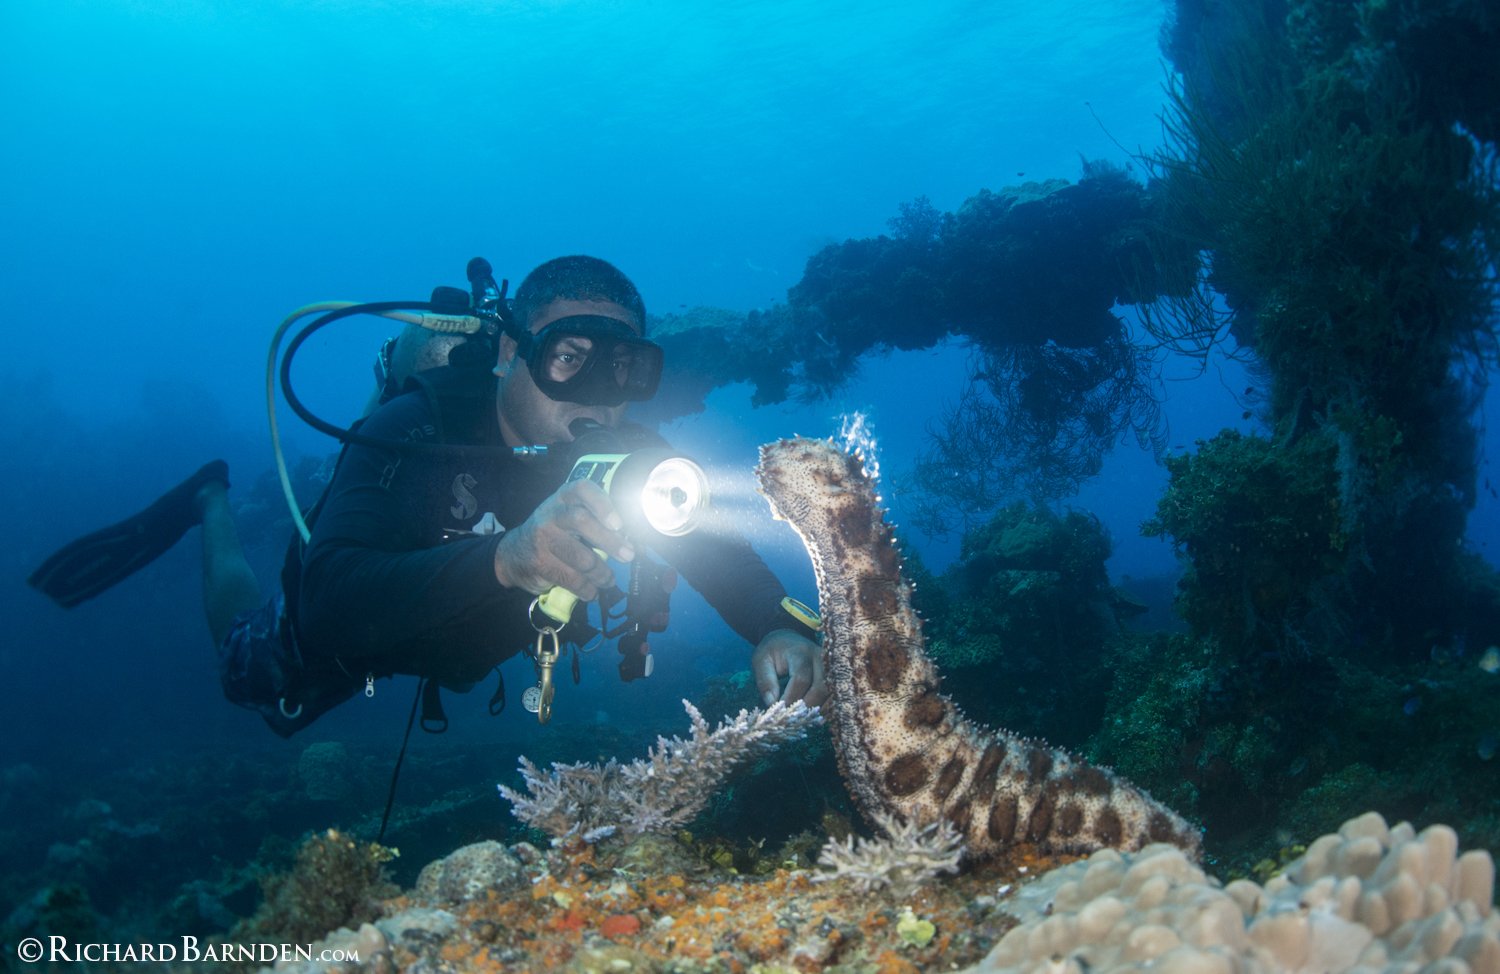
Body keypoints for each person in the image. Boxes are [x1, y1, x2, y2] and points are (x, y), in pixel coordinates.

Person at [30, 256, 827, 736]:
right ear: (514, 351)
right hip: (358, 625)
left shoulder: (629, 455)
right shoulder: (420, 424)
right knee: (265, 693)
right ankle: (210, 499)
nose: (598, 400)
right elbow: (328, 601)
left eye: (625, 372)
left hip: (457, 640)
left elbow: (718, 550)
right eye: (570, 358)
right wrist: (508, 561)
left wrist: (772, 629)